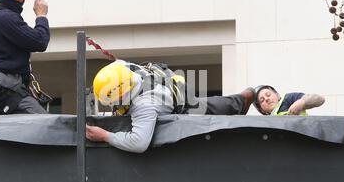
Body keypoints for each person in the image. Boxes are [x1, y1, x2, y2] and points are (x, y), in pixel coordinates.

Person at [86, 60, 256, 153]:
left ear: (122, 94)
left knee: (211, 108)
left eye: (112, 102)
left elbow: (139, 143)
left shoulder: (145, 105)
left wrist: (105, 136)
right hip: (165, 83)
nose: (112, 106)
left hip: (180, 100)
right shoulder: (121, 68)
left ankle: (244, 99)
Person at [253, 85, 325, 116]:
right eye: (262, 100)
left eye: (268, 95)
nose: (266, 99)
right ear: (262, 110)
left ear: (277, 95)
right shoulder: (266, 123)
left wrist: (302, 102)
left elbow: (320, 99)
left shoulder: (288, 99)